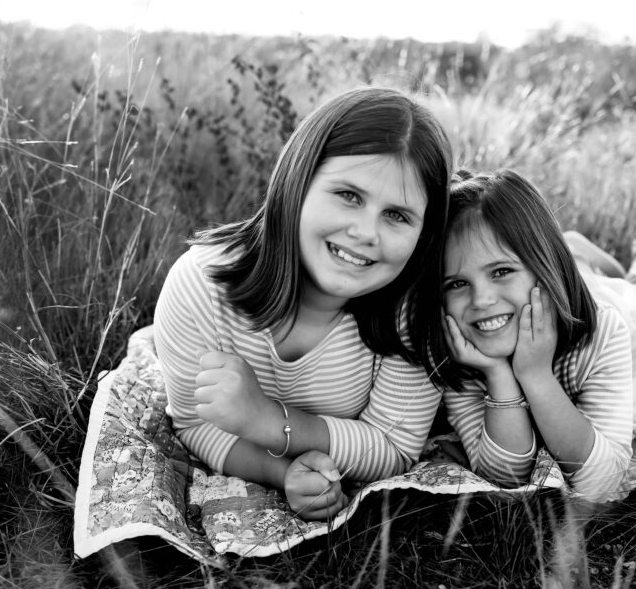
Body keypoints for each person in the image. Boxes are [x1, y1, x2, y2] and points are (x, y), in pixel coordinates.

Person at [153, 87, 454, 521]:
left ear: (423, 232)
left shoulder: (414, 309)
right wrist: (283, 471)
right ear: (299, 181)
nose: (365, 232)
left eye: (397, 215)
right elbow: (195, 423)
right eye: (349, 195)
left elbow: (393, 445)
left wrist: (267, 422)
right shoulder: (201, 286)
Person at [439, 169, 635, 502]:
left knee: (628, 287)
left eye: (501, 271)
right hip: (548, 281)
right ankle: (574, 249)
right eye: (457, 284)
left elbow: (606, 480)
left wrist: (536, 374)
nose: (481, 300)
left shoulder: (604, 334)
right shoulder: (461, 352)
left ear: (545, 267)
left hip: (621, 308)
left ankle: (582, 252)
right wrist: (498, 374)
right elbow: (503, 476)